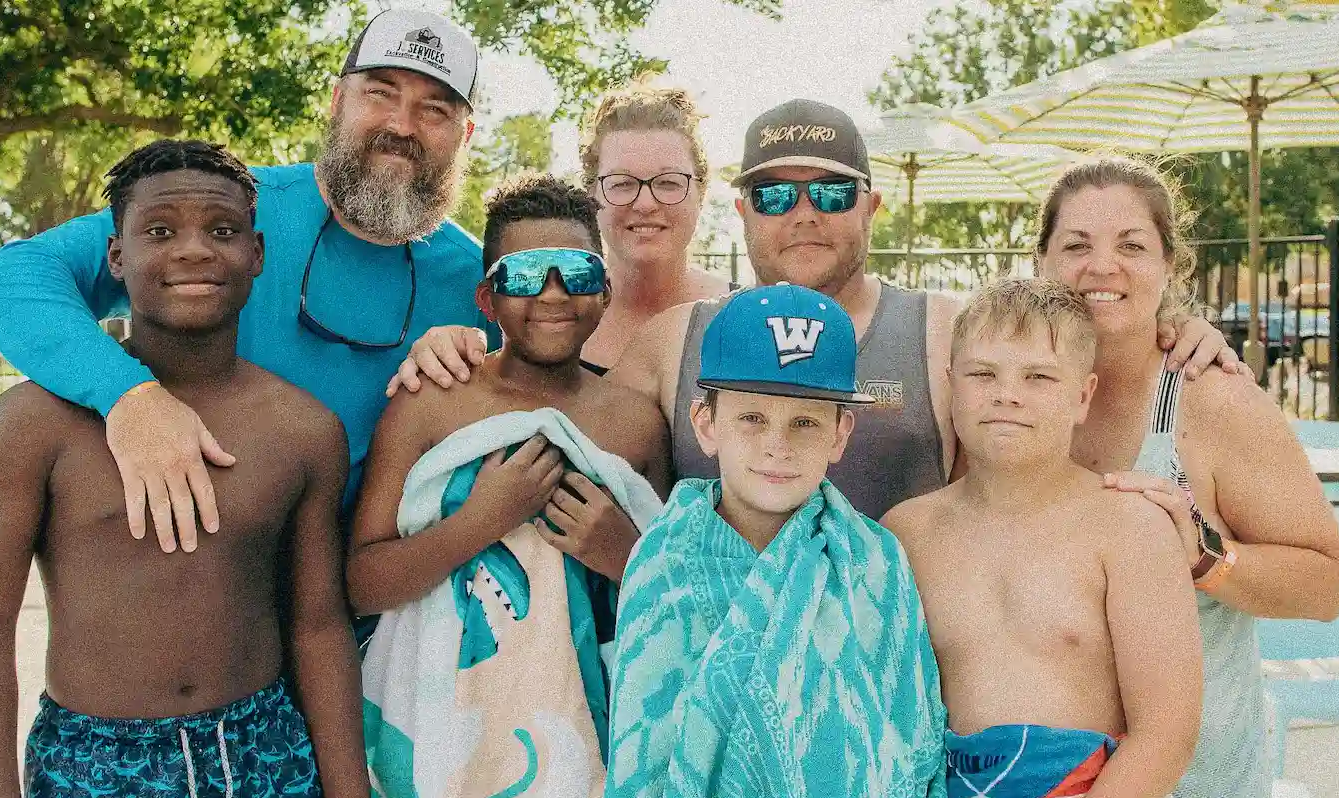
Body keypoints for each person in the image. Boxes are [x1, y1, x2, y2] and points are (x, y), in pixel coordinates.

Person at [0, 140, 384, 798]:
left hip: (262, 769)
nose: (193, 249)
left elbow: (318, 626)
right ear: (116, 256)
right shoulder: (35, 426)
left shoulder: (301, 431)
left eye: (222, 229)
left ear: (256, 253)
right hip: (97, 780)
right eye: (161, 229)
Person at [399, 99, 1246, 519]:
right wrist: (458, 349)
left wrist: (1167, 329)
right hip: (719, 698)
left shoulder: (945, 329)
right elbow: (552, 409)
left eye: (831, 191)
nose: (803, 212)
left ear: (871, 208)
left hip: (897, 689)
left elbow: (1067, 367)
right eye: (775, 194)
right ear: (741, 212)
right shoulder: (679, 341)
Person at [0, 7, 495, 555]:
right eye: (380, 94)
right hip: (201, 584)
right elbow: (13, 277)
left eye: (433, 109)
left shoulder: (483, 281)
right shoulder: (221, 215)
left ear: (465, 135)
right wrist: (128, 394)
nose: (401, 126)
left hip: (379, 616)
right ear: (338, 102)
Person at [347, 173, 670, 798]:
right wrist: (479, 523)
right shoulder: (430, 407)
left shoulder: (633, 420)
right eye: (525, 279)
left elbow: (673, 597)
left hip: (591, 736)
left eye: (577, 273)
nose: (552, 296)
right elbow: (361, 579)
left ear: (605, 288)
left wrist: (621, 551)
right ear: (490, 296)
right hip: (463, 742)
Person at [588, 284, 958, 798]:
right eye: (751, 416)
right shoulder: (665, 566)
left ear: (842, 434)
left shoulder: (876, 563)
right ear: (706, 421)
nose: (776, 446)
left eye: (805, 423)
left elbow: (909, 744)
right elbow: (644, 776)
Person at [1039, 156, 1339, 798]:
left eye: (1131, 245)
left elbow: (1326, 583)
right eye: (1076, 244)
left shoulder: (1211, 401)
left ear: (1170, 267)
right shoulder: (1011, 394)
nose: (1102, 267)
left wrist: (1208, 558)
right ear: (1038, 265)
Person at [885, 279, 1206, 798]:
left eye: (1039, 377)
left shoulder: (1128, 528)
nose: (1008, 395)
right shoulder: (903, 536)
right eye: (983, 374)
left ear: (1082, 396)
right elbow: (882, 728)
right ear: (949, 387)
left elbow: (1168, 730)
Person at [390, 84, 727, 388]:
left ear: (702, 190)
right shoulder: (532, 318)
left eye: (669, 182)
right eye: (622, 184)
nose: (645, 203)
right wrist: (438, 351)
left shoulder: (748, 318)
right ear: (591, 195)